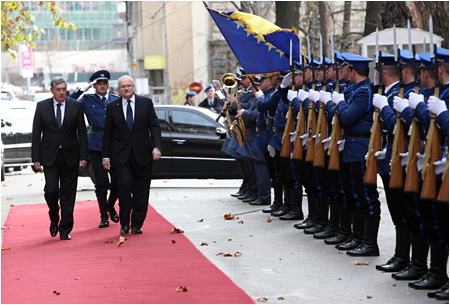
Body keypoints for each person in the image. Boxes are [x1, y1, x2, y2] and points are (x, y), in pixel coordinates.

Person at [102, 75, 162, 235]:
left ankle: (137, 223)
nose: (126, 88)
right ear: (118, 89)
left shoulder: (145, 103)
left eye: (129, 85)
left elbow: (154, 126)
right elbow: (107, 133)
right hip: (120, 157)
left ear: (133, 86)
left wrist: (156, 146)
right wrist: (105, 156)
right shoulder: (112, 106)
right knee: (124, 186)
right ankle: (124, 223)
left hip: (142, 154)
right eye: (123, 86)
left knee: (141, 190)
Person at [32, 77, 89, 240]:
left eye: (64, 89)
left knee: (68, 193)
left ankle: (65, 229)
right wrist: (35, 157)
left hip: (71, 155)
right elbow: (36, 134)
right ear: (52, 90)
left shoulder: (76, 106)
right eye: (58, 89)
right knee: (51, 190)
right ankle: (54, 216)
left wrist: (84, 155)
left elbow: (82, 133)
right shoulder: (42, 107)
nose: (62, 92)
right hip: (49, 156)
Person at [69, 70, 120, 229]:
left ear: (108, 85)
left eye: (105, 83)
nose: (102, 86)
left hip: (114, 145)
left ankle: (110, 205)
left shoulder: (115, 100)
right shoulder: (87, 99)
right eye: (99, 84)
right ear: (94, 85)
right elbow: (68, 103)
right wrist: (81, 90)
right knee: (101, 183)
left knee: (118, 183)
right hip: (96, 144)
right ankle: (104, 216)